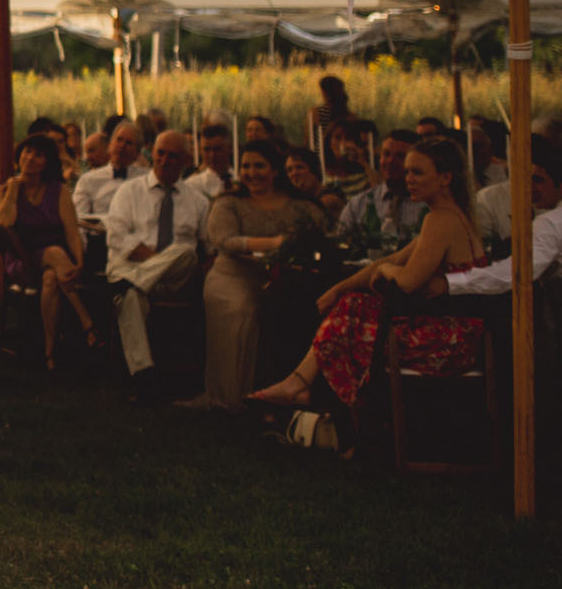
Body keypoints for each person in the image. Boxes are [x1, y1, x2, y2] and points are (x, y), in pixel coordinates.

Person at [252, 138, 485, 411]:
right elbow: (393, 259)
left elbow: (406, 281)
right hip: (458, 337)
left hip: (447, 343)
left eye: (417, 172)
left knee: (351, 310)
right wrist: (337, 289)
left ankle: (323, 399)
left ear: (445, 178)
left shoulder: (441, 220)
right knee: (350, 304)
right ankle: (302, 386)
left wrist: (383, 272)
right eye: (408, 171)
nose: (408, 178)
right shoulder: (450, 216)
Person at [179, 140, 324, 410]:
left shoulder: (300, 206)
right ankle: (232, 396)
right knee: (245, 309)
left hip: (286, 279)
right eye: (245, 166)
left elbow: (321, 234)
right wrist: (275, 243)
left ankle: (282, 394)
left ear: (275, 171)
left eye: (259, 166)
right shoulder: (229, 203)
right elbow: (225, 241)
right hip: (232, 276)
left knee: (293, 311)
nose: (251, 173)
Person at [102, 129, 207, 400]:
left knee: (186, 252)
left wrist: (166, 264)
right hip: (130, 268)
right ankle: (144, 376)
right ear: (152, 154)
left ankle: (123, 288)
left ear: (185, 160)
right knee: (132, 298)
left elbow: (208, 247)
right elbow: (118, 239)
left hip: (174, 278)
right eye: (160, 153)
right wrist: (155, 264)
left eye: (173, 156)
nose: (165, 160)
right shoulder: (129, 192)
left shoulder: (198, 201)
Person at [0, 133, 98, 372]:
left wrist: (79, 263)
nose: (30, 158)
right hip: (22, 260)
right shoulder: (1, 191)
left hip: (57, 261)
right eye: (27, 152)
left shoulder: (58, 191)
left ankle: (49, 353)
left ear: (47, 162)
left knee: (52, 277)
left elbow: (72, 231)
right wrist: (13, 189)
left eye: (38, 155)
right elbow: (4, 224)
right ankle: (87, 322)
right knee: (53, 253)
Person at [435, 137, 560, 299]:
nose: (530, 187)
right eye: (528, 179)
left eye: (538, 180)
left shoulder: (550, 223)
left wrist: (449, 282)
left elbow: (518, 273)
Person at [334, 129, 426, 259]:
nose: (390, 161)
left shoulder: (428, 204)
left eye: (400, 157)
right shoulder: (359, 204)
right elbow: (339, 245)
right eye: (386, 154)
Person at [72, 122, 147, 223]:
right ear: (110, 144)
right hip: (99, 235)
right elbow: (79, 218)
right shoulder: (88, 180)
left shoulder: (146, 179)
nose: (122, 146)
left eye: (129, 143)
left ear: (137, 153)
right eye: (119, 140)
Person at [189, 123, 235, 202]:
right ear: (200, 151)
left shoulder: (242, 180)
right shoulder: (192, 185)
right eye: (207, 150)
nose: (212, 155)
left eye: (218, 149)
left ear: (230, 149)